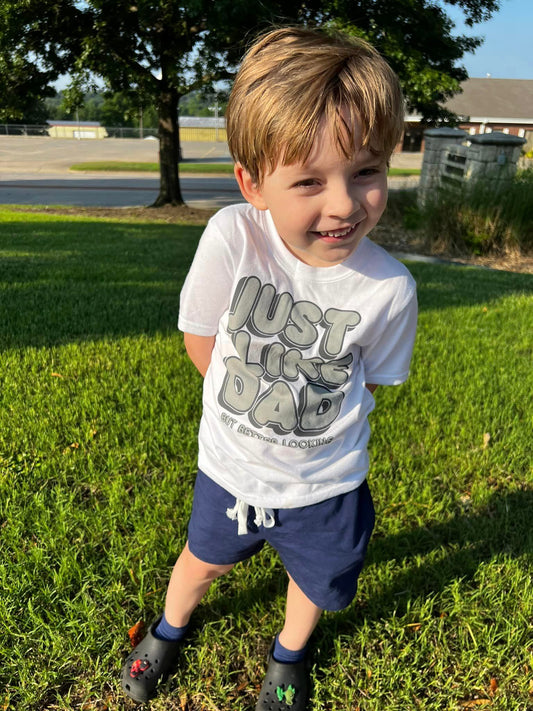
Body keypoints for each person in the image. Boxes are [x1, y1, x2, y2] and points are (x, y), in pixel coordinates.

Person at [120, 26, 417, 710]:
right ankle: (169, 628)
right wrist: (247, 418)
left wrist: (297, 430)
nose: (343, 203)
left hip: (326, 483)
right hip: (230, 468)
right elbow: (201, 337)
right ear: (253, 183)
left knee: (315, 577)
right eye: (309, 180)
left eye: (366, 171)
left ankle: (289, 653)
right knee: (204, 558)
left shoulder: (387, 287)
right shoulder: (232, 236)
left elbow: (367, 381)